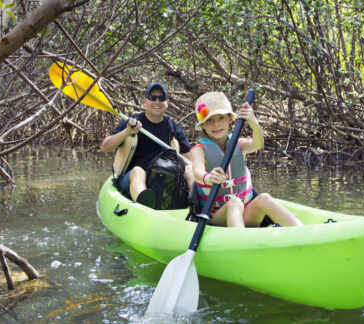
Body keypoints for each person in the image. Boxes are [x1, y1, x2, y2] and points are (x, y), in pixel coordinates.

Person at [190, 92, 303, 228]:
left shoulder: (238, 144)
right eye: (209, 120)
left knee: (264, 198)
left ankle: (301, 231)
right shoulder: (199, 149)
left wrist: (254, 124)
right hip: (216, 217)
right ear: (203, 125)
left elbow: (258, 144)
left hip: (245, 213)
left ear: (230, 119)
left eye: (221, 118)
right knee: (234, 202)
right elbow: (197, 172)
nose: (216, 124)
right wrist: (208, 177)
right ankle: (241, 244)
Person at [100, 83, 194, 208]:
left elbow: (191, 160)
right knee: (138, 171)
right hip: (133, 178)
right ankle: (144, 205)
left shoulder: (173, 128)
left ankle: (198, 202)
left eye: (161, 98)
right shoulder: (133, 121)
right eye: (152, 97)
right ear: (145, 101)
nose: (157, 101)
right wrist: (127, 131)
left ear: (167, 102)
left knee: (189, 169)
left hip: (162, 177)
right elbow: (104, 147)